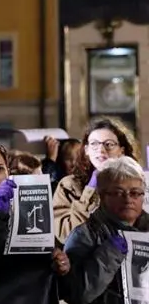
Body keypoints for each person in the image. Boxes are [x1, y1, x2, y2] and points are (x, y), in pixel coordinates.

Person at [61, 156, 147, 304]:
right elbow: (77, 294)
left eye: (134, 193)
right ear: (102, 195)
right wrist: (110, 253)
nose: (127, 199)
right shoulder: (85, 234)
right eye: (118, 192)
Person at [54, 117, 137, 244]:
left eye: (109, 144)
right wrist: (90, 191)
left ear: (121, 150)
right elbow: (66, 235)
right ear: (86, 150)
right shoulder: (69, 185)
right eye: (94, 144)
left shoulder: (138, 184)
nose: (101, 150)